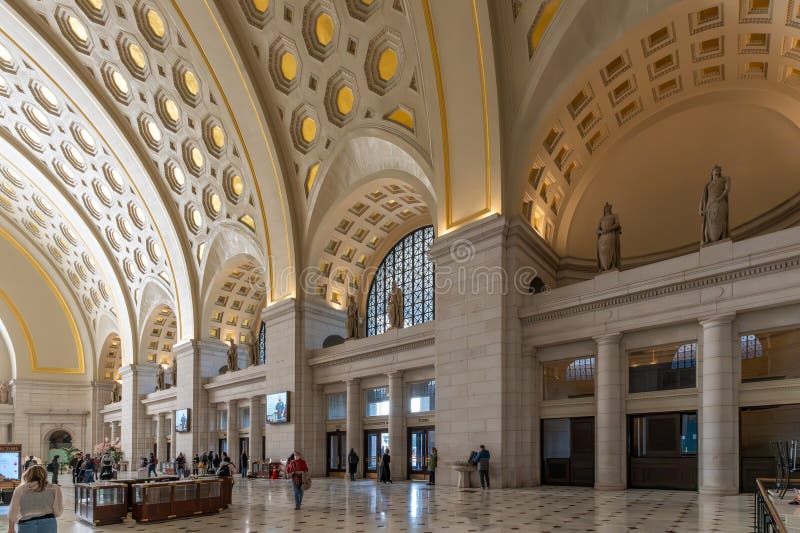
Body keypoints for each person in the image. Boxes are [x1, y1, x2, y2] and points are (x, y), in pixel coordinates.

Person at [7, 464, 63, 533]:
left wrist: (11, 528)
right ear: (45, 474)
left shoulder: (20, 490)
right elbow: (58, 509)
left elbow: (13, 510)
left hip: (26, 523)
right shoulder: (54, 488)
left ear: (28, 474)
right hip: (48, 522)